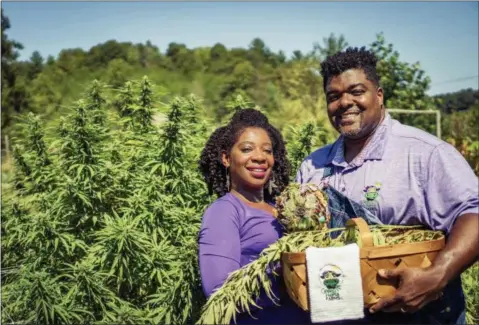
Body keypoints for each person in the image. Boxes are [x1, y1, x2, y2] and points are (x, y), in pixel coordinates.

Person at [295, 47, 478, 325]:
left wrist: (437, 275)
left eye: (356, 91)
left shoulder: (423, 153)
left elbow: (474, 212)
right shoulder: (313, 166)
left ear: (378, 96)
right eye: (334, 96)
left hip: (418, 313)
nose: (344, 102)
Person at [198, 108, 310, 324]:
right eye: (247, 149)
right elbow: (219, 291)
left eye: (267, 151)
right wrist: (286, 274)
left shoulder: (280, 209)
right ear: (226, 158)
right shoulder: (224, 211)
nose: (259, 157)